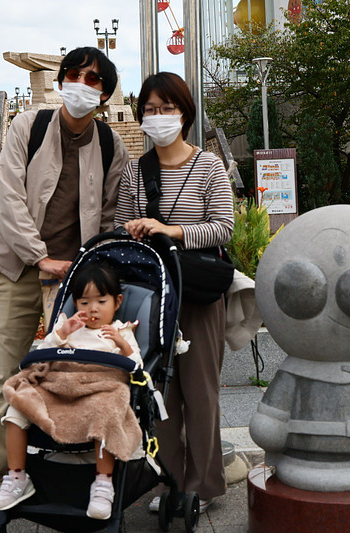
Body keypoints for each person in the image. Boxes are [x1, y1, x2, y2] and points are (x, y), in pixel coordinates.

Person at [0, 46, 129, 518]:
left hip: (74, 278)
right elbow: (9, 198)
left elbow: (109, 215)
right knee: (4, 375)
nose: (82, 85)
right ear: (60, 82)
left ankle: (74, 470)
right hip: (18, 268)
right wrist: (41, 257)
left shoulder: (111, 144)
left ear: (105, 93)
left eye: (94, 80)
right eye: (74, 75)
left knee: (77, 372)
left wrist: (85, 267)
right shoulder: (29, 126)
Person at [115, 72, 234, 513]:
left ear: (185, 113)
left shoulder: (208, 166)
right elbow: (118, 228)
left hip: (197, 293)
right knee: (158, 392)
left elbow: (223, 227)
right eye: (149, 109)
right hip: (152, 295)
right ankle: (171, 483)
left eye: (167, 108)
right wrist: (131, 230)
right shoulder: (135, 172)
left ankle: (203, 487)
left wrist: (172, 231)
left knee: (201, 392)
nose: (158, 116)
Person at [0, 261, 142, 520]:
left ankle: (103, 483)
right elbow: (41, 357)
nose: (92, 309)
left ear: (117, 302)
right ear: (75, 303)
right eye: (84, 302)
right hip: (59, 388)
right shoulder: (68, 326)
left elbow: (137, 367)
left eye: (101, 301)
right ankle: (16, 477)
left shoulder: (120, 331)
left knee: (108, 408)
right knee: (18, 403)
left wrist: (123, 346)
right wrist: (60, 334)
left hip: (98, 389)